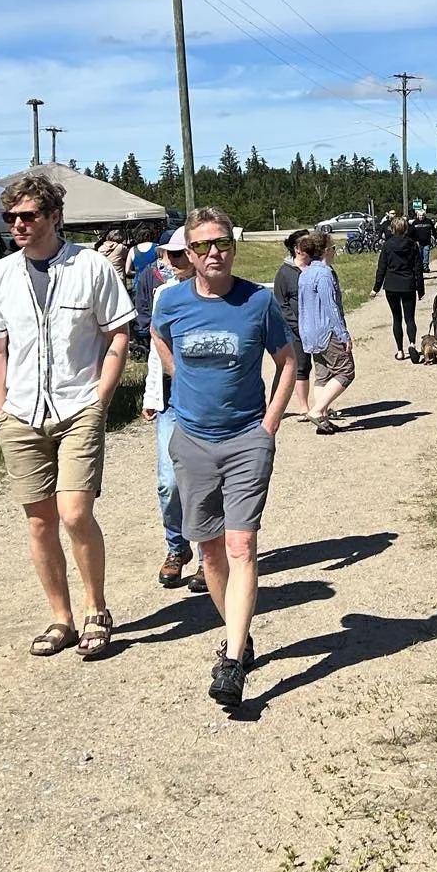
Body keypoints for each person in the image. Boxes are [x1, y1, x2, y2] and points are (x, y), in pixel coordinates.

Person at [0, 175, 134, 661]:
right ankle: (61, 617)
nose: (18, 225)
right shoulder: (1, 275)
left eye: (28, 216)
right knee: (39, 522)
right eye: (11, 217)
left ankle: (95, 609)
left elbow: (118, 336)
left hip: (77, 406)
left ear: (54, 216)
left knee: (74, 513)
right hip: (20, 413)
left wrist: (100, 399)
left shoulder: (91, 268)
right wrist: (0, 409)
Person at [152, 207, 297, 710]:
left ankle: (231, 660)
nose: (214, 253)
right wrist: (181, 384)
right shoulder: (170, 302)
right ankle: (240, 631)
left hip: (245, 439)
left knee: (240, 546)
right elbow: (160, 339)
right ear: (188, 255)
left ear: (233, 245)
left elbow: (288, 362)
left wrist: (269, 425)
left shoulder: (258, 302)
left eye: (222, 243)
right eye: (202, 246)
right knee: (209, 551)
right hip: (191, 439)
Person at [141, 228, 202, 591]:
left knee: (206, 482)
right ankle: (177, 546)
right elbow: (155, 349)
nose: (174, 262)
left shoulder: (221, 294)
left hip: (208, 403)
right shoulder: (163, 295)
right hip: (171, 400)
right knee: (169, 482)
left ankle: (210, 555)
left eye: (180, 255)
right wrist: (151, 396)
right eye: (170, 255)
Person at [297, 232, 355, 434]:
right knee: (346, 371)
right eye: (332, 247)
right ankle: (317, 410)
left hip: (309, 332)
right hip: (326, 331)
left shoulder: (305, 272)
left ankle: (322, 418)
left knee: (323, 376)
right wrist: (343, 334)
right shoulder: (324, 274)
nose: (335, 251)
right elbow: (331, 307)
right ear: (324, 251)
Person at [270, 230, 314, 420]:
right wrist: (296, 325)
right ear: (296, 249)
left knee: (320, 366)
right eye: (306, 248)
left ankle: (321, 405)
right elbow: (282, 304)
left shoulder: (315, 267)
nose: (310, 251)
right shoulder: (285, 272)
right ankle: (304, 407)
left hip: (316, 326)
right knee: (301, 365)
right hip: (295, 329)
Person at [373, 215, 423, 362]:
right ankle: (412, 344)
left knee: (396, 318)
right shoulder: (412, 245)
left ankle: (400, 351)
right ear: (406, 229)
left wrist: (376, 288)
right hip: (408, 285)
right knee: (410, 318)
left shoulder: (387, 245)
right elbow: (417, 268)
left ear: (392, 229)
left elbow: (381, 268)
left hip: (392, 285)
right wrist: (420, 288)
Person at [411, 208, 437, 275]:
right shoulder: (415, 223)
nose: (421, 216)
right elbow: (411, 232)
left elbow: (433, 230)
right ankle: (420, 267)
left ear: (425, 215)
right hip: (418, 242)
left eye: (422, 215)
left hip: (427, 242)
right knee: (419, 255)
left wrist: (436, 237)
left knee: (426, 254)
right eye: (420, 215)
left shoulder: (428, 221)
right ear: (417, 215)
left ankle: (425, 267)